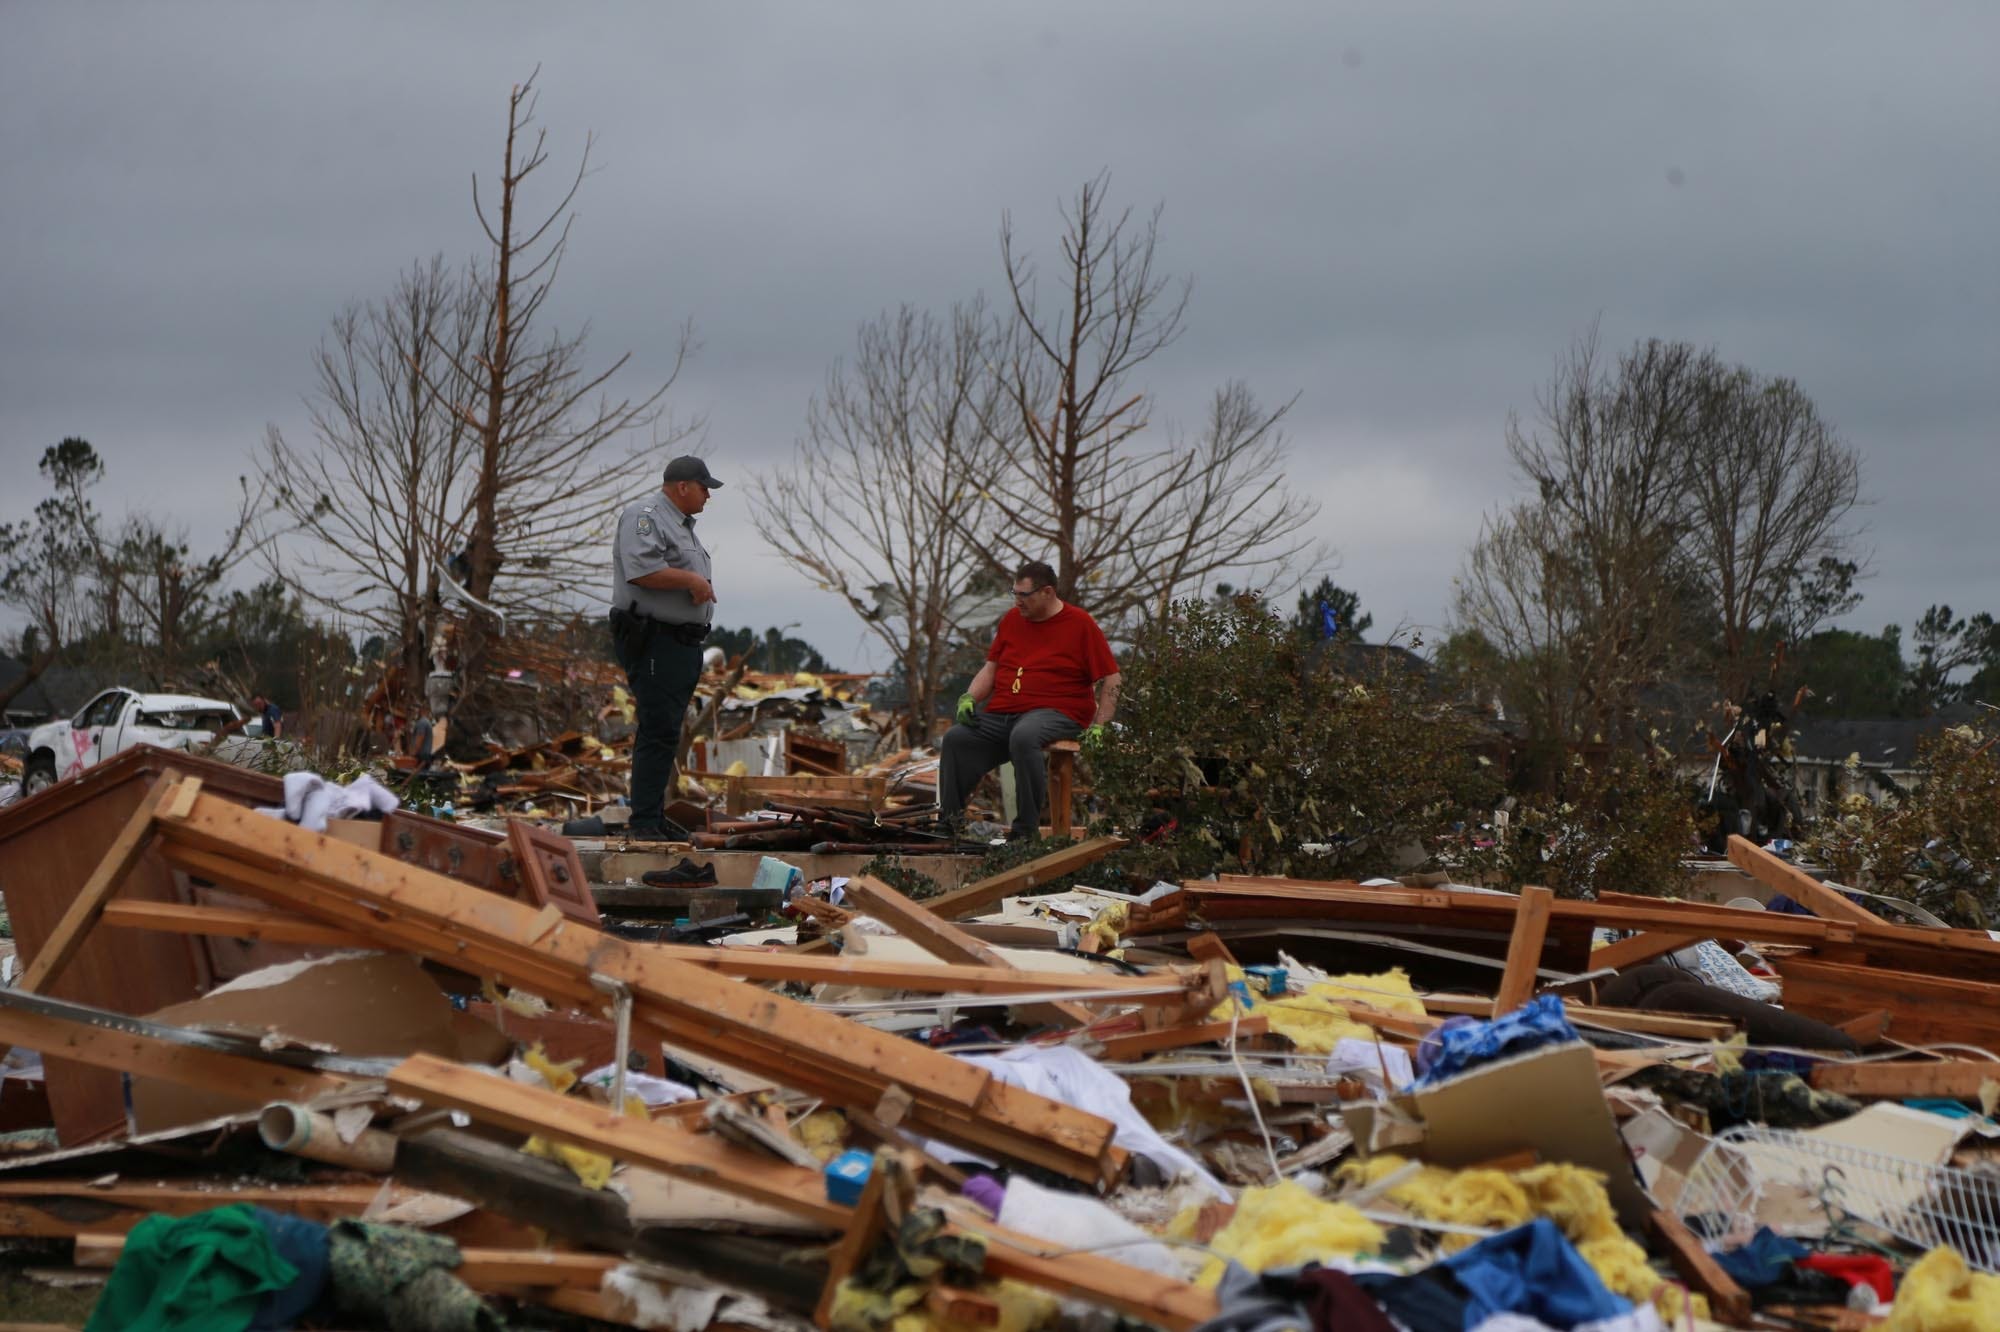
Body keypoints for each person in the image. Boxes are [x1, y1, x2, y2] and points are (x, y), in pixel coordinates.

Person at [939, 560, 1120, 840]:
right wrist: (969, 697)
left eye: (1024, 595)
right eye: (1015, 593)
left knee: (1025, 735)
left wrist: (1100, 726)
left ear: (1047, 592)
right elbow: (991, 668)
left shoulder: (1080, 623)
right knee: (956, 738)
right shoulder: (1012, 620)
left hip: (1059, 711)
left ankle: (1025, 832)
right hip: (1006, 713)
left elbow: (1112, 678)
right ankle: (949, 825)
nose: (1018, 601)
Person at [610, 455, 723, 840]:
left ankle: (653, 817)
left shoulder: (681, 526)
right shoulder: (645, 517)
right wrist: (692, 581)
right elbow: (641, 570)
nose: (708, 495)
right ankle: (643, 822)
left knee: (667, 731)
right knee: (658, 727)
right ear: (682, 487)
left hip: (679, 641)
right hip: (654, 637)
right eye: (704, 487)